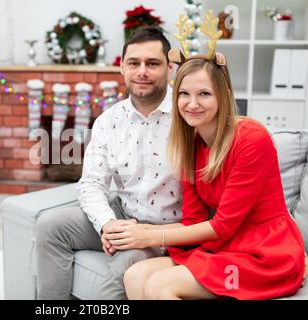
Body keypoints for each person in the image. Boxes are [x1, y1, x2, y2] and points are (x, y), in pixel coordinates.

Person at [119, 47, 307, 299]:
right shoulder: (190, 143)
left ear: (223, 95)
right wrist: (133, 235)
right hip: (227, 247)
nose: (192, 103)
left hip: (265, 254)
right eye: (184, 94)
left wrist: (150, 237)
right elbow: (193, 221)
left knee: (159, 285)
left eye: (204, 94)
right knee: (135, 274)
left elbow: (223, 226)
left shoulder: (251, 138)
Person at [34, 26, 183, 300]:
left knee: (126, 263)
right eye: (134, 63)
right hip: (123, 214)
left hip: (166, 228)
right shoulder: (108, 121)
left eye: (152, 63)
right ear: (122, 70)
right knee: (49, 225)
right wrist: (107, 224)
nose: (142, 72)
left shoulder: (187, 114)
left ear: (170, 69)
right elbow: (91, 183)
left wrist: (145, 234)